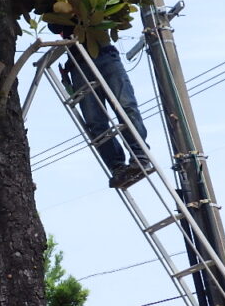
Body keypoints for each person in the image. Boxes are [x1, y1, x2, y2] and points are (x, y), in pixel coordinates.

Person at [52, 23, 152, 188]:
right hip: (78, 63)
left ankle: (140, 156)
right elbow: (54, 27)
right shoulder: (55, 3)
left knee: (126, 107)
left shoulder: (98, 2)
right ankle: (117, 167)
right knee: (95, 122)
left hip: (104, 53)